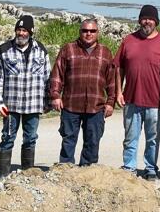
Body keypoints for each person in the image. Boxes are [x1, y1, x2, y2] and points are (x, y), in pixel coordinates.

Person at [47, 18, 117, 166]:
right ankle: (66, 170)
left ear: (98, 33)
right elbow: (57, 74)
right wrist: (55, 96)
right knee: (68, 140)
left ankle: (87, 172)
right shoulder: (68, 49)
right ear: (80, 32)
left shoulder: (105, 52)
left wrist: (111, 102)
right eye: (85, 31)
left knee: (92, 142)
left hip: (96, 106)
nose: (88, 34)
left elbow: (111, 80)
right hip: (71, 105)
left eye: (92, 31)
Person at [115, 4, 160, 179]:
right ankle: (129, 167)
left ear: (156, 22)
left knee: (152, 138)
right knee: (130, 138)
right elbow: (119, 68)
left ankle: (150, 168)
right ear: (140, 20)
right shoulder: (128, 40)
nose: (147, 22)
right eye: (144, 18)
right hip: (131, 99)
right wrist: (118, 92)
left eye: (151, 19)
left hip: (154, 101)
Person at [0, 14, 49, 176]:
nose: (21, 33)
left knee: (30, 138)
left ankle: (27, 174)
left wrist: (48, 100)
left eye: (24, 30)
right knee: (7, 138)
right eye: (18, 29)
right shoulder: (4, 50)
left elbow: (47, 77)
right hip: (11, 106)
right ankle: (4, 174)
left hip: (33, 104)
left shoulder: (41, 50)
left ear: (31, 32)